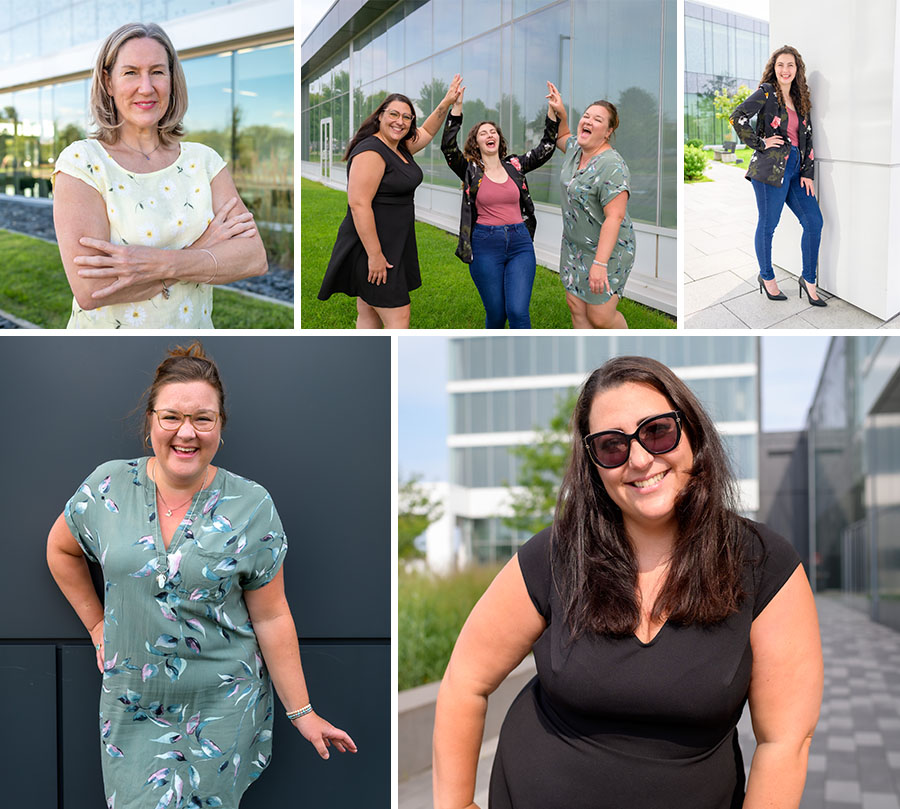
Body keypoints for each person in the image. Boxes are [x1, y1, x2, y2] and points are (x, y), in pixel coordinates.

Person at [433, 356, 823, 809]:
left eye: (658, 431)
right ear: (593, 463)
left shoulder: (762, 563)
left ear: (692, 431)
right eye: (612, 446)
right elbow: (464, 682)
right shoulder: (556, 554)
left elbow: (785, 741)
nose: (639, 459)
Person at [46, 342, 356, 808]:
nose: (186, 433)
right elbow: (61, 549)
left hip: (223, 705)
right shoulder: (107, 487)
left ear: (220, 427)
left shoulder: (251, 505)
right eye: (171, 417)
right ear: (149, 421)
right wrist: (96, 625)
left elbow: (271, 617)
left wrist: (302, 711)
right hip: (133, 705)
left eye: (203, 419)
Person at [53, 23, 267, 329]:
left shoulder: (204, 161)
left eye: (157, 72)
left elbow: (253, 257)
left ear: (171, 79)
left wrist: (156, 264)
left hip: (194, 342)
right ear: (108, 82)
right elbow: (92, 290)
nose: (146, 87)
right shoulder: (83, 162)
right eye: (130, 72)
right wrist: (203, 248)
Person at [318, 77, 464, 329]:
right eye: (394, 114)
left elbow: (427, 132)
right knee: (399, 317)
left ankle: (365, 365)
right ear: (380, 116)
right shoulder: (371, 151)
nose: (400, 121)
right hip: (375, 247)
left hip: (392, 244)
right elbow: (358, 204)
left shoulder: (398, 147)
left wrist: (448, 101)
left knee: (368, 312)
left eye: (407, 117)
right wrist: (375, 256)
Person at [439, 81, 559, 329]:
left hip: (519, 243)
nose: (489, 135)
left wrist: (552, 113)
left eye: (492, 131)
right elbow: (448, 148)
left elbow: (545, 149)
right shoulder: (470, 170)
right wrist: (456, 109)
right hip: (485, 244)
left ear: (498, 139)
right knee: (496, 314)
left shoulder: (514, 166)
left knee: (517, 312)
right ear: (476, 142)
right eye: (483, 133)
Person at [730, 46, 825, 307]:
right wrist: (760, 142)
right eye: (781, 65)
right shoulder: (767, 92)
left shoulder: (801, 98)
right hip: (769, 169)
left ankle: (808, 280)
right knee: (768, 225)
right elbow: (737, 116)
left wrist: (808, 173)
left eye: (790, 65)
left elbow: (808, 137)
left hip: (797, 170)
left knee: (814, 222)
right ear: (774, 67)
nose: (785, 70)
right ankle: (767, 277)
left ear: (797, 69)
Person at [545, 84, 635, 329]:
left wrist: (600, 264)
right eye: (586, 116)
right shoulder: (576, 148)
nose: (588, 121)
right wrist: (561, 112)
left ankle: (626, 362)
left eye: (597, 119)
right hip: (574, 246)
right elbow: (561, 137)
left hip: (607, 251)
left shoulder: (613, 166)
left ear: (608, 131)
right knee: (577, 310)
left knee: (600, 317)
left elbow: (614, 218)